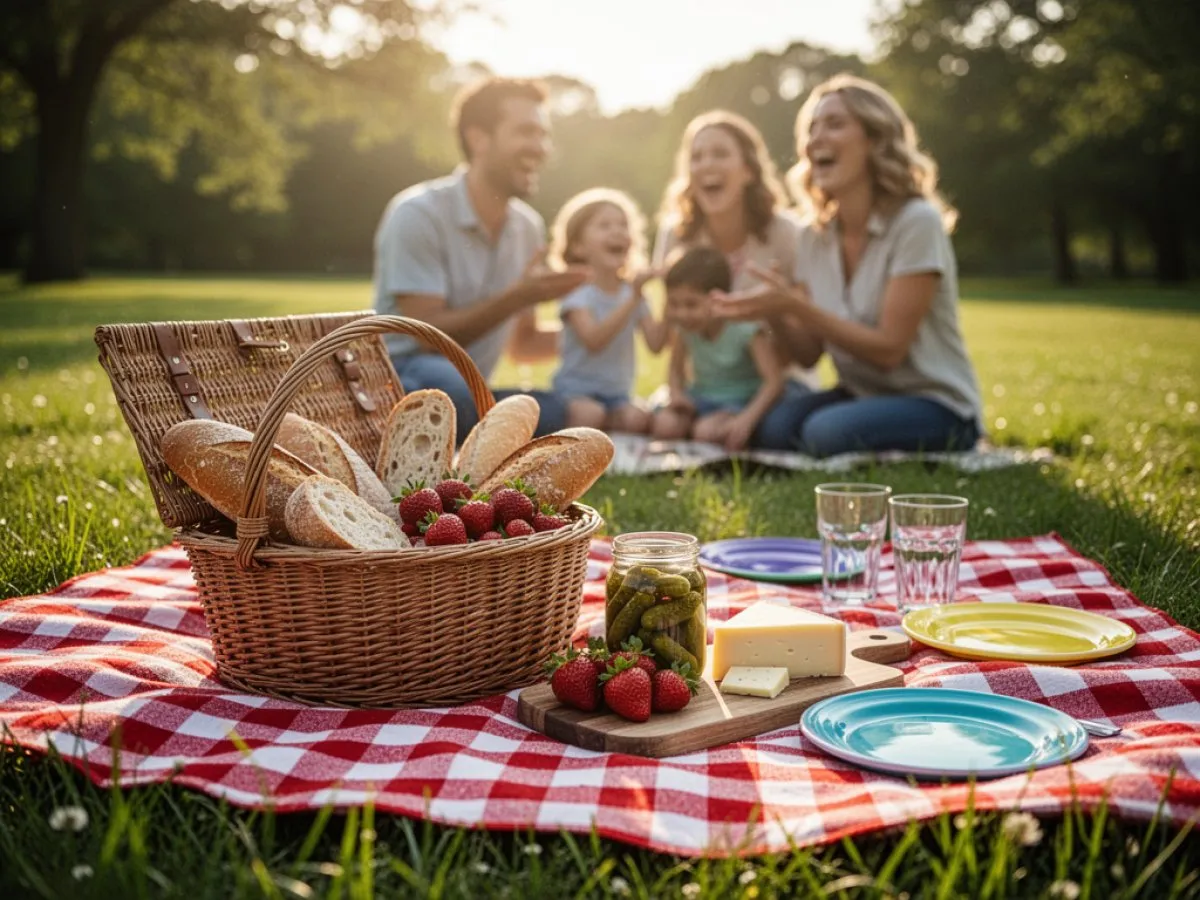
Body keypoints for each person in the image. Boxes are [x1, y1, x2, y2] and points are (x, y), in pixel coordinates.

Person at [713, 74, 983, 457]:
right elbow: (809, 355)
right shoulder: (813, 236)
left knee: (826, 433)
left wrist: (795, 305)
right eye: (812, 128)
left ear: (874, 139)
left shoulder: (916, 221)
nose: (815, 139)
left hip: (935, 402)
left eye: (835, 124)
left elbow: (890, 350)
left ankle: (948, 433)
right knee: (773, 429)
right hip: (860, 393)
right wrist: (772, 311)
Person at [372, 77, 588, 442]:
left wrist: (602, 330)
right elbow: (429, 337)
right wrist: (519, 296)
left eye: (543, 135)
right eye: (526, 132)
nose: (541, 147)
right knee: (447, 388)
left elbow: (523, 343)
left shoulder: (527, 226)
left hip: (469, 388)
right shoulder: (417, 213)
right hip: (401, 381)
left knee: (562, 410)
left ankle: (477, 434)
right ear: (479, 139)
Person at [654, 110, 818, 448]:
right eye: (696, 157)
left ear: (748, 170)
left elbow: (807, 349)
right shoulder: (676, 235)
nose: (706, 164)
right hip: (710, 385)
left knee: (773, 433)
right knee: (661, 422)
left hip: (778, 379)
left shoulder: (787, 233)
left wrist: (775, 308)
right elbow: (677, 331)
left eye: (720, 153)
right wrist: (679, 391)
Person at [548, 188, 671, 433]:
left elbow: (656, 344)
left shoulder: (633, 293)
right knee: (591, 414)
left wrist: (671, 295)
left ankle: (605, 433)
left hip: (617, 396)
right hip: (575, 392)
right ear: (579, 247)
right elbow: (594, 340)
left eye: (623, 225)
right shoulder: (577, 294)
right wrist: (633, 298)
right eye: (604, 225)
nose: (617, 231)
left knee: (638, 418)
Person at [652, 246, 785, 451]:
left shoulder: (745, 327)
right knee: (664, 426)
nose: (682, 314)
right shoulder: (685, 329)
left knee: (706, 433)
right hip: (702, 398)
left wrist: (746, 420)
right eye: (674, 304)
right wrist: (677, 394)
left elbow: (774, 382)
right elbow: (675, 369)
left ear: (717, 298)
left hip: (739, 402)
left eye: (691, 304)